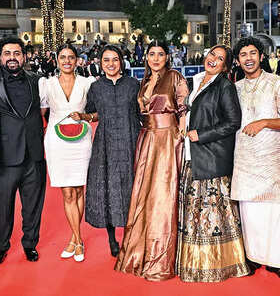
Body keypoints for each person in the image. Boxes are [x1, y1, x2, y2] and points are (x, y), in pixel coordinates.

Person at [115, 40, 189, 281]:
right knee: (143, 195)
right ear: (145, 57)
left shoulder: (175, 76)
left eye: (160, 54)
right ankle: (140, 250)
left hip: (167, 139)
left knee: (162, 194)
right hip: (146, 139)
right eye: (151, 54)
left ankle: (162, 258)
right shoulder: (143, 81)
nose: (155, 58)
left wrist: (180, 136)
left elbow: (183, 108)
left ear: (167, 57)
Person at [176, 44, 249, 282]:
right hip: (192, 154)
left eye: (220, 58)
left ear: (225, 66)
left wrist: (202, 134)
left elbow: (232, 122)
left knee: (213, 214)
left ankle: (219, 264)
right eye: (212, 55)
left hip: (210, 157)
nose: (213, 60)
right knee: (192, 214)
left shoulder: (224, 86)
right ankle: (192, 263)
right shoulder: (196, 79)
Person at [230, 37, 280, 282]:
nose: (248, 58)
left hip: (270, 156)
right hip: (244, 158)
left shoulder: (279, 83)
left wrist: (264, 122)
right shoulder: (234, 88)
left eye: (252, 53)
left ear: (261, 56)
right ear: (237, 61)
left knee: (273, 212)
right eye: (243, 55)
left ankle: (276, 261)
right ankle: (252, 257)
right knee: (248, 212)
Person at [0, 37, 47, 266]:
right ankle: (1, 246)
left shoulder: (37, 80)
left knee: (33, 205)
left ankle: (30, 244)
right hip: (5, 154)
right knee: (2, 205)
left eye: (16, 53)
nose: (12, 57)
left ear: (24, 56)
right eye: (7, 53)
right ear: (0, 56)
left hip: (34, 153)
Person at [79, 45, 141, 257]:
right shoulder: (96, 88)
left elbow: (142, 112)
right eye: (106, 60)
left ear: (121, 62)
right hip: (105, 144)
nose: (111, 64)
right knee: (108, 189)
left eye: (115, 59)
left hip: (131, 140)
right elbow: (93, 113)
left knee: (132, 188)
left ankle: (132, 235)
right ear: (100, 63)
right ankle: (112, 239)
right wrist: (84, 118)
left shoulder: (133, 85)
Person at [38, 44, 94, 262]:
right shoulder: (47, 84)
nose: (67, 61)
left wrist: (86, 117)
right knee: (67, 192)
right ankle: (78, 240)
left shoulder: (87, 83)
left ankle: (74, 239)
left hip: (82, 140)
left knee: (79, 190)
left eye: (71, 57)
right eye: (63, 57)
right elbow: (40, 111)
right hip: (56, 141)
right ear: (57, 59)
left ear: (77, 60)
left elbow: (96, 111)